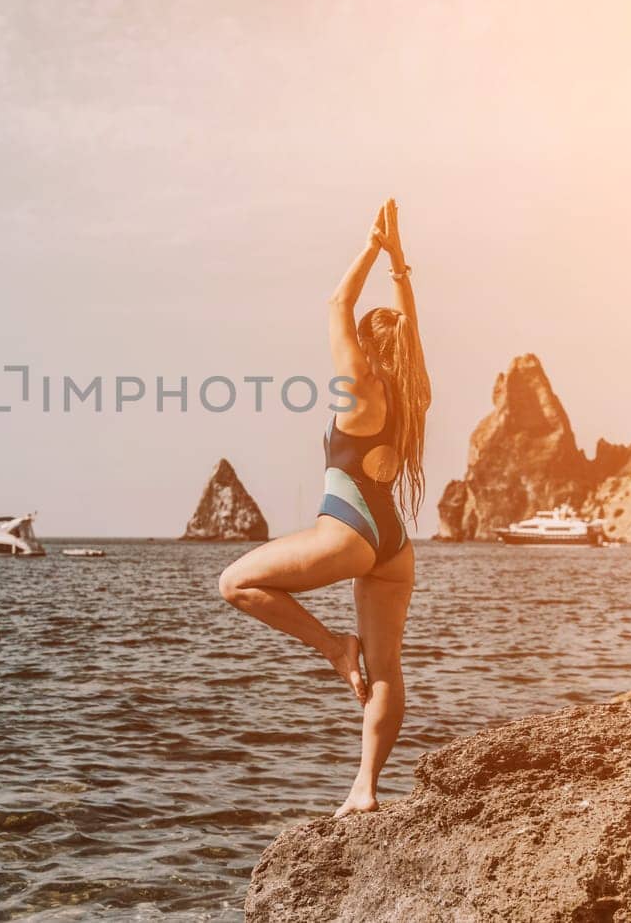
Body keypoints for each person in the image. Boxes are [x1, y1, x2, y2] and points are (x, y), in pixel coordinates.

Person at [218, 198, 430, 817]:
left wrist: (371, 246)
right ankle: (364, 789)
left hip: (347, 530)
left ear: (367, 348)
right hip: (394, 542)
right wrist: (401, 268)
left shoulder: (360, 387)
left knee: (235, 582)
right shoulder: (415, 395)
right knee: (387, 666)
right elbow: (410, 335)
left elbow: (336, 304)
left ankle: (333, 648)